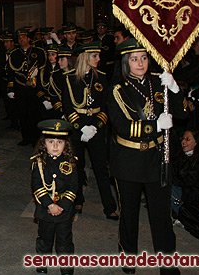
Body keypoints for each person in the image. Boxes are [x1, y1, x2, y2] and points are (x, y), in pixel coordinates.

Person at [107, 38, 187, 275]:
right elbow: (122, 126)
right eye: (134, 59)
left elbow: (181, 113)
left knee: (161, 216)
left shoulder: (157, 82)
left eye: (143, 58)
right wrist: (155, 126)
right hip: (129, 160)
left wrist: (174, 89)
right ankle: (128, 256)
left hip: (156, 158)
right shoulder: (117, 89)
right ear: (125, 62)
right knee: (129, 214)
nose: (140, 63)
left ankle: (167, 263)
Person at [62, 42, 118, 219]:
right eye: (95, 56)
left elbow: (105, 106)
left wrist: (95, 126)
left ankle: (109, 206)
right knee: (76, 166)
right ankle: (77, 199)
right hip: (78, 128)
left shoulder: (101, 77)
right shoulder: (70, 78)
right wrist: (80, 127)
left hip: (95, 127)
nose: (99, 59)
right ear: (85, 57)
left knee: (101, 168)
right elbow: (67, 106)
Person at [31, 120, 78, 275]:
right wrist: (50, 205)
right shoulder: (38, 162)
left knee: (64, 241)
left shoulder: (70, 162)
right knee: (45, 239)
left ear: (66, 144)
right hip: (46, 209)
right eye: (51, 142)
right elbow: (37, 186)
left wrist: (62, 205)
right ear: (44, 143)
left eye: (60, 142)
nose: (56, 146)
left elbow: (73, 187)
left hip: (64, 210)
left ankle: (66, 268)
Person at [7, 28, 46, 146]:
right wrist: (11, 88)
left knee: (35, 114)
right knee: (22, 114)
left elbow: (44, 69)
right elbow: (10, 72)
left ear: (29, 38)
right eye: (19, 38)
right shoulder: (14, 54)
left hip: (34, 89)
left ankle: (36, 139)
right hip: (21, 88)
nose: (21, 39)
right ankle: (26, 138)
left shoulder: (38, 52)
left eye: (23, 37)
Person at [171, 130, 199, 220]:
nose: (183, 142)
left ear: (196, 142)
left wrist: (169, 179)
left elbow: (190, 181)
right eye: (183, 139)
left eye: (188, 139)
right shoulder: (181, 156)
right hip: (182, 189)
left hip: (194, 194)